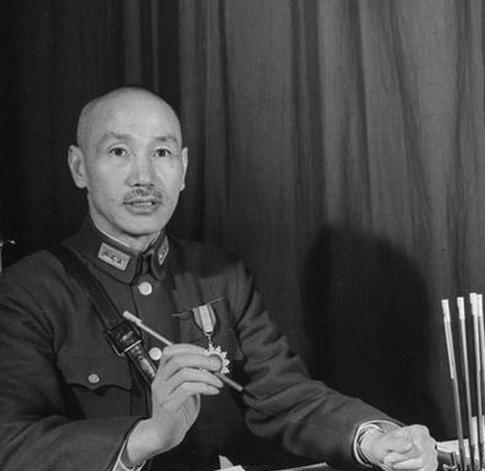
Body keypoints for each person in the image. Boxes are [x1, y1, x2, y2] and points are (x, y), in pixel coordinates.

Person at [0, 86, 439, 471]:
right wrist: (147, 437)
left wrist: (376, 439)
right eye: (118, 152)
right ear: (79, 167)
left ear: (184, 167)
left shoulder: (221, 276)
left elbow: (283, 395)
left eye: (162, 153)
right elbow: (11, 442)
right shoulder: (28, 291)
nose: (144, 177)